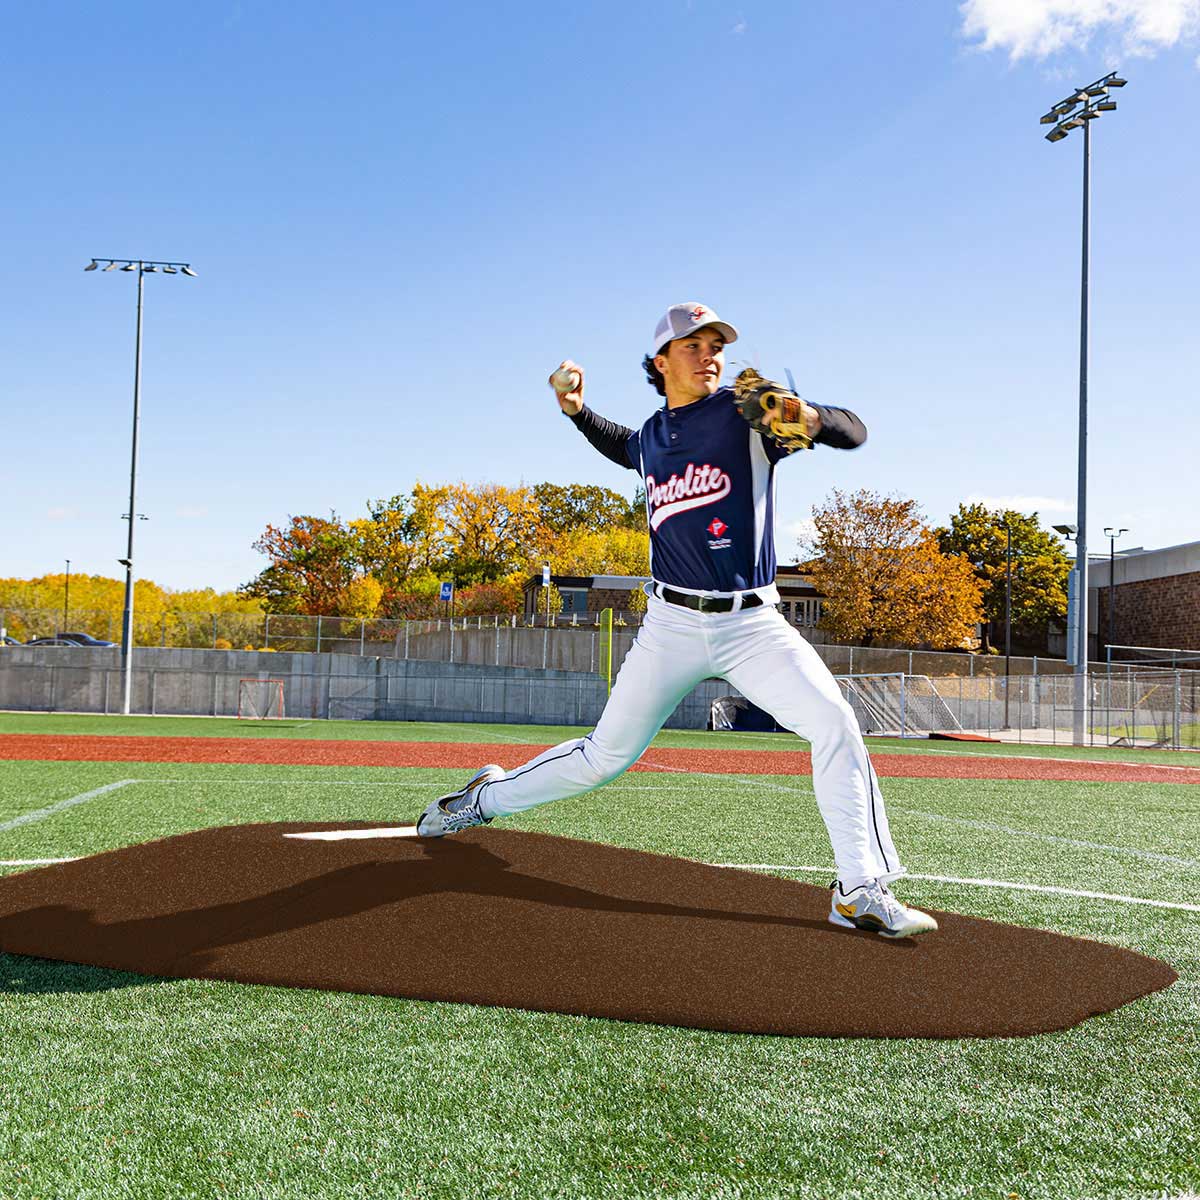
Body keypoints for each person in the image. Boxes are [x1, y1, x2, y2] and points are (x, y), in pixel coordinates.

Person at [417, 302, 937, 939]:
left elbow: (853, 432)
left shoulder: (746, 415)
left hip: (755, 625)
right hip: (670, 625)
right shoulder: (654, 433)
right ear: (661, 362)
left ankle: (859, 889)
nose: (710, 352)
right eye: (693, 344)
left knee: (834, 725)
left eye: (716, 342)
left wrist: (807, 416)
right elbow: (626, 448)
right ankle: (483, 799)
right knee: (603, 758)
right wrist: (577, 411)